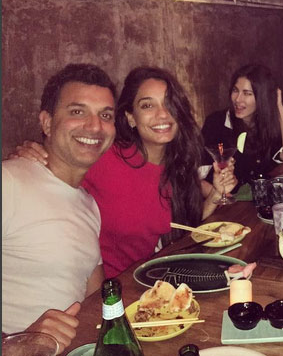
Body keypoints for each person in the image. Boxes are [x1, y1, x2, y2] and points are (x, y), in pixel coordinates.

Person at [11, 67, 237, 279]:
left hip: (144, 282)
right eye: (147, 106)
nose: (162, 114)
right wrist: (31, 153)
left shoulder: (177, 167)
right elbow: (57, 168)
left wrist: (215, 195)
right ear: (130, 118)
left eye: (169, 104)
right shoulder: (106, 155)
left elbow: (187, 231)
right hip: (98, 289)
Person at [2, 64, 116, 351]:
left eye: (105, 115)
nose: (95, 126)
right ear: (47, 123)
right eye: (77, 111)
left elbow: (95, 298)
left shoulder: (88, 205)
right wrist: (13, 345)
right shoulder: (9, 182)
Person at [202, 63, 283, 184]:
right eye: (235, 90)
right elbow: (199, 177)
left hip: (257, 193)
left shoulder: (267, 125)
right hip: (223, 194)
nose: (238, 99)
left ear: (262, 97)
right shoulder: (216, 122)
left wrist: (279, 107)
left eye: (247, 93)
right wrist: (222, 194)